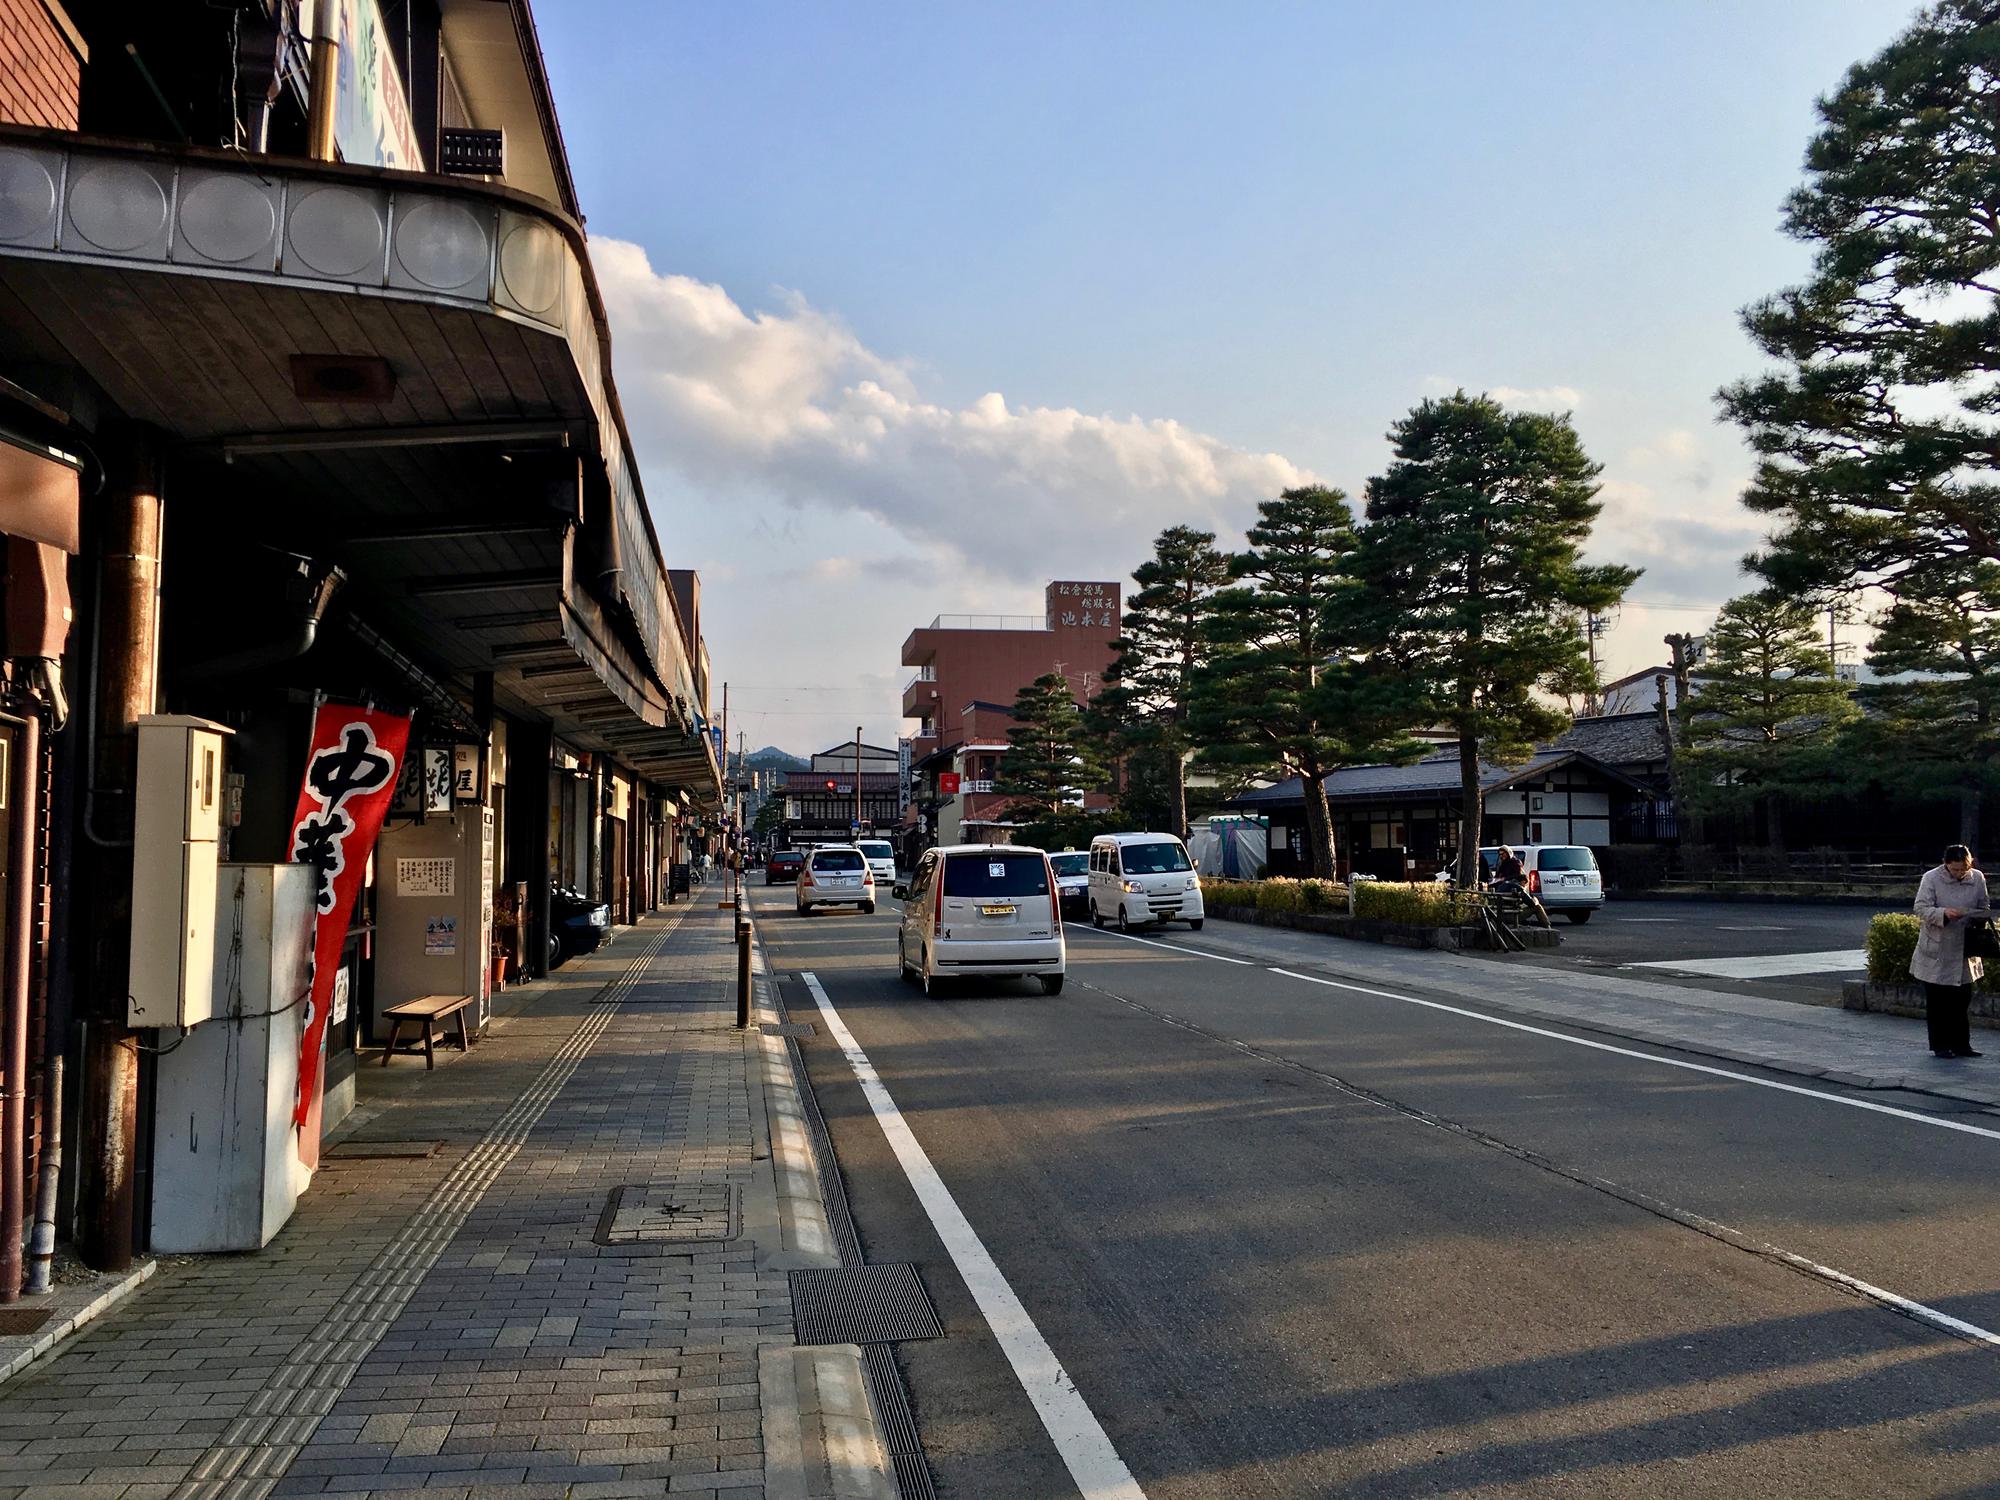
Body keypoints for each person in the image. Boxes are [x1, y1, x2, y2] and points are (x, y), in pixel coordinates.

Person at [1911, 843, 1987, 1059]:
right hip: (1937, 946)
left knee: (1962, 1001)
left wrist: (1978, 917)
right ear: (1946, 865)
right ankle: (1940, 1045)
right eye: (1955, 869)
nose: (1960, 873)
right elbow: (1921, 908)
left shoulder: (1978, 877)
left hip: (1965, 946)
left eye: (1964, 869)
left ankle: (1962, 1045)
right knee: (1938, 1002)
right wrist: (1944, 913)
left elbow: (1984, 904)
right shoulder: (1931, 878)